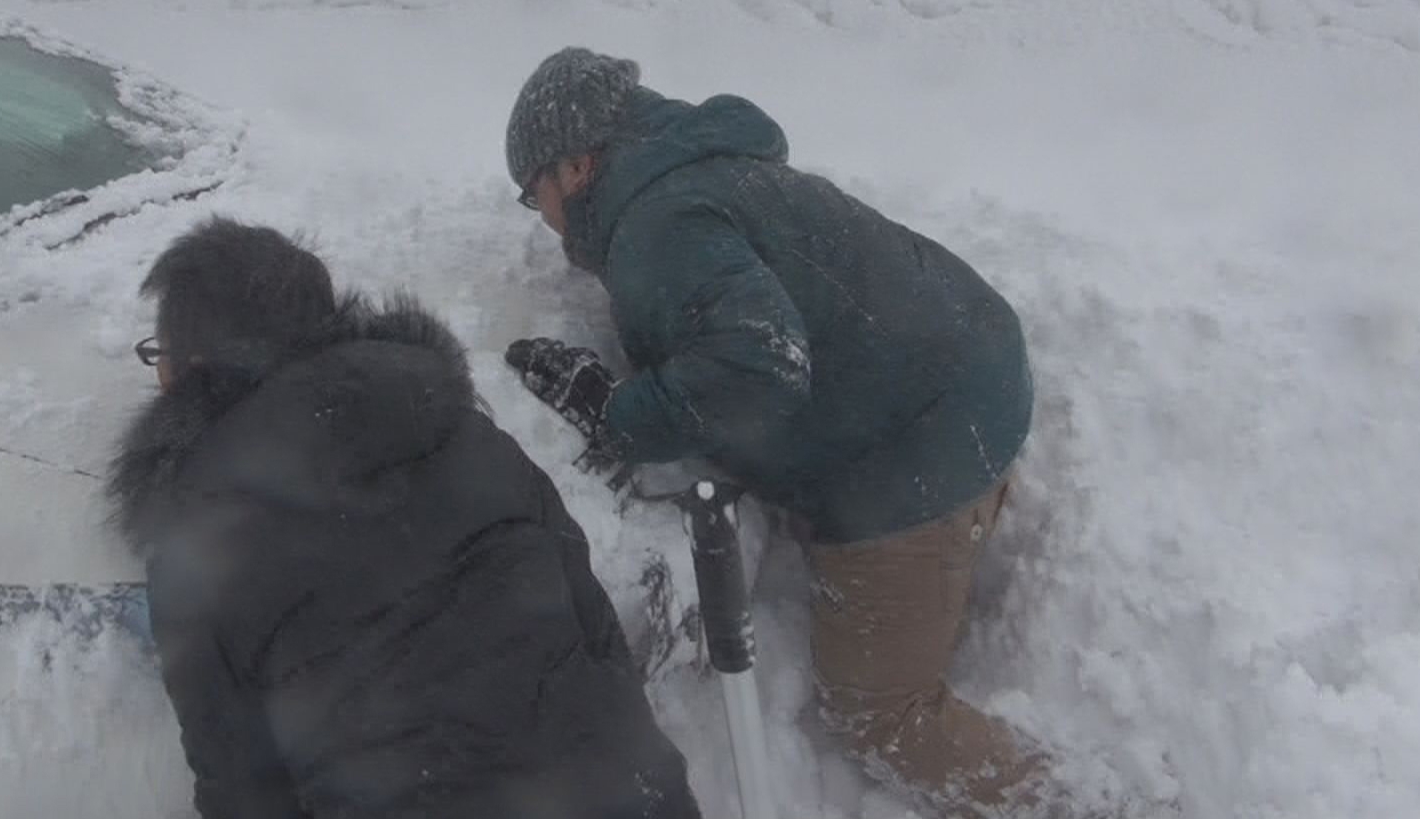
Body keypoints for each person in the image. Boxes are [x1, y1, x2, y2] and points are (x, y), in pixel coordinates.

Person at [500, 49, 1046, 817]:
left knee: (877, 715)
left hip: (924, 453)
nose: (544, 217)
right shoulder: (704, 168)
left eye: (534, 194)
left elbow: (763, 364)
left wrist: (614, 415)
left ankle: (1082, 804)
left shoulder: (658, 227)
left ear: (578, 166)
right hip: (972, 369)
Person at [106, 216, 701, 819]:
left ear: (196, 366)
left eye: (164, 355)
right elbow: (597, 636)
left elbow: (240, 789)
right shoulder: (472, 436)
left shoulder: (199, 542)